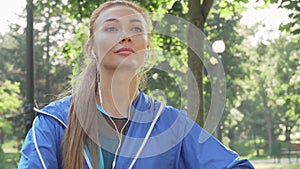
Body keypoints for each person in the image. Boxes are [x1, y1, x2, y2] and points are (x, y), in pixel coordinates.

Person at [18, 1, 255, 169]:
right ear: (91, 49)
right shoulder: (54, 121)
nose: (126, 36)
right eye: (111, 28)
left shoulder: (171, 124)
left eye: (136, 29)